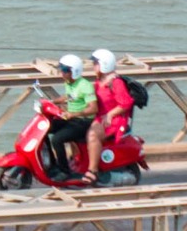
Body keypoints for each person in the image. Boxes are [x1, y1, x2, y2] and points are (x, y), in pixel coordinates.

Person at [40, 53, 95, 183]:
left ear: (74, 72)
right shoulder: (69, 83)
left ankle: (65, 172)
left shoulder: (85, 86)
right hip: (71, 119)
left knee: (57, 139)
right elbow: (70, 96)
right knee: (45, 129)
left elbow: (93, 108)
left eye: (65, 70)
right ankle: (52, 164)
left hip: (83, 122)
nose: (62, 73)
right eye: (61, 69)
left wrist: (73, 114)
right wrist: (53, 101)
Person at [87, 48, 135, 182]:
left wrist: (110, 114)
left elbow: (125, 103)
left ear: (104, 64)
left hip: (113, 120)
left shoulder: (115, 82)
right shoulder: (99, 81)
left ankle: (93, 171)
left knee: (92, 135)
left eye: (95, 63)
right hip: (100, 117)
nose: (93, 66)